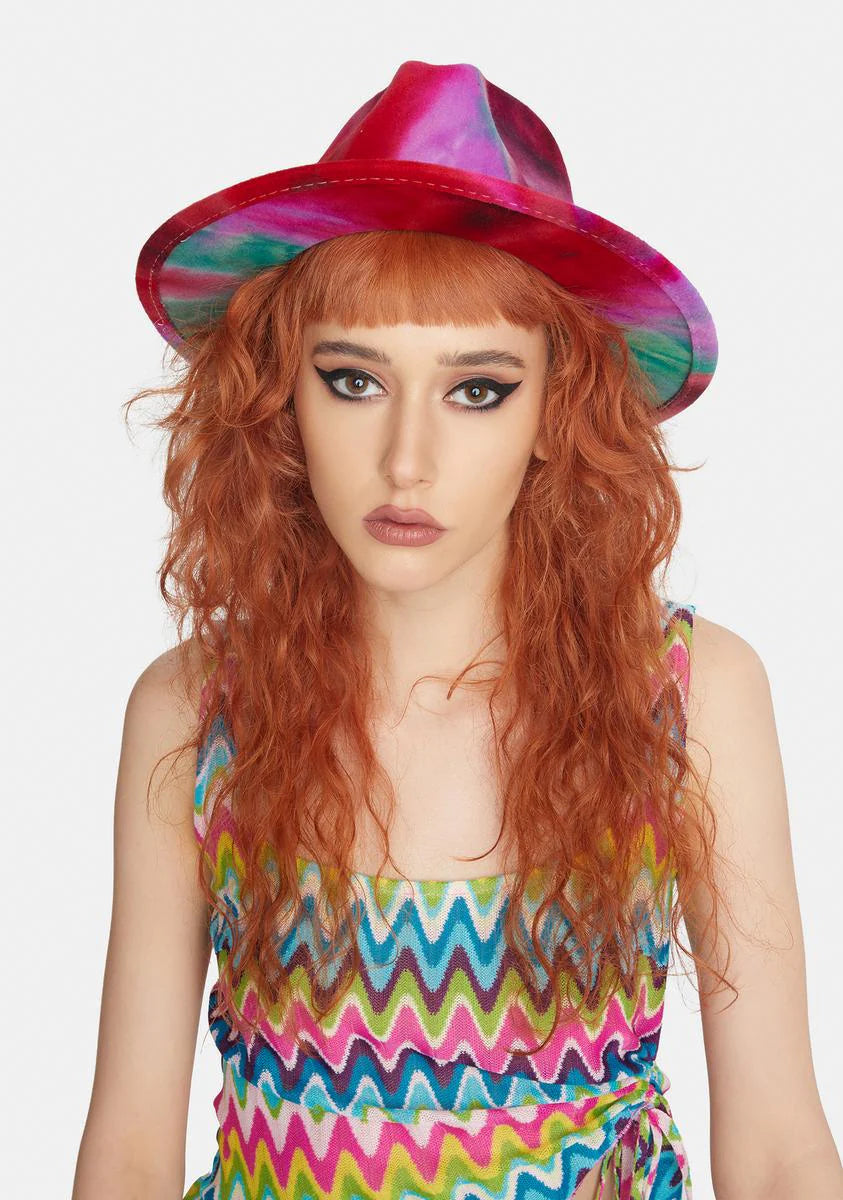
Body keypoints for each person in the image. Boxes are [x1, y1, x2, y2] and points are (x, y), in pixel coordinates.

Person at [72, 61, 843, 1200]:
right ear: (279, 393)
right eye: (354, 380)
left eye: (476, 389)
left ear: (558, 410)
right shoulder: (196, 710)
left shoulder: (686, 693)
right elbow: (130, 1153)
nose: (407, 460)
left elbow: (778, 1152)